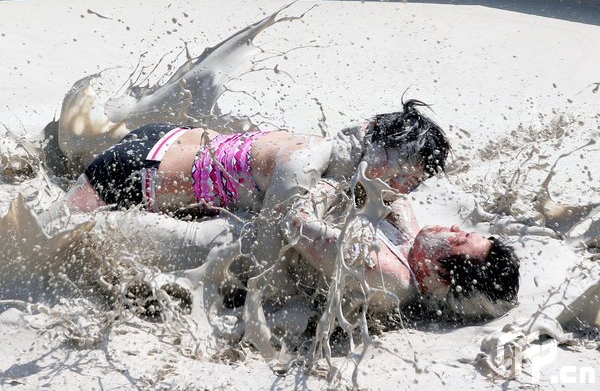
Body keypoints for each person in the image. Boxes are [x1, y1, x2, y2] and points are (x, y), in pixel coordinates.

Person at [60, 100, 449, 220]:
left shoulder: (343, 163)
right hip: (133, 172)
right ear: (372, 139)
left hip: (173, 136)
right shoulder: (304, 164)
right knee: (47, 238)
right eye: (396, 173)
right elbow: (265, 257)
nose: (398, 189)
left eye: (410, 183)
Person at [283, 179, 520, 319]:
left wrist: (331, 180)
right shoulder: (413, 245)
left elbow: (295, 222)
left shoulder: (386, 275)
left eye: (458, 240)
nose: (455, 228)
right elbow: (384, 185)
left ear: (441, 275)